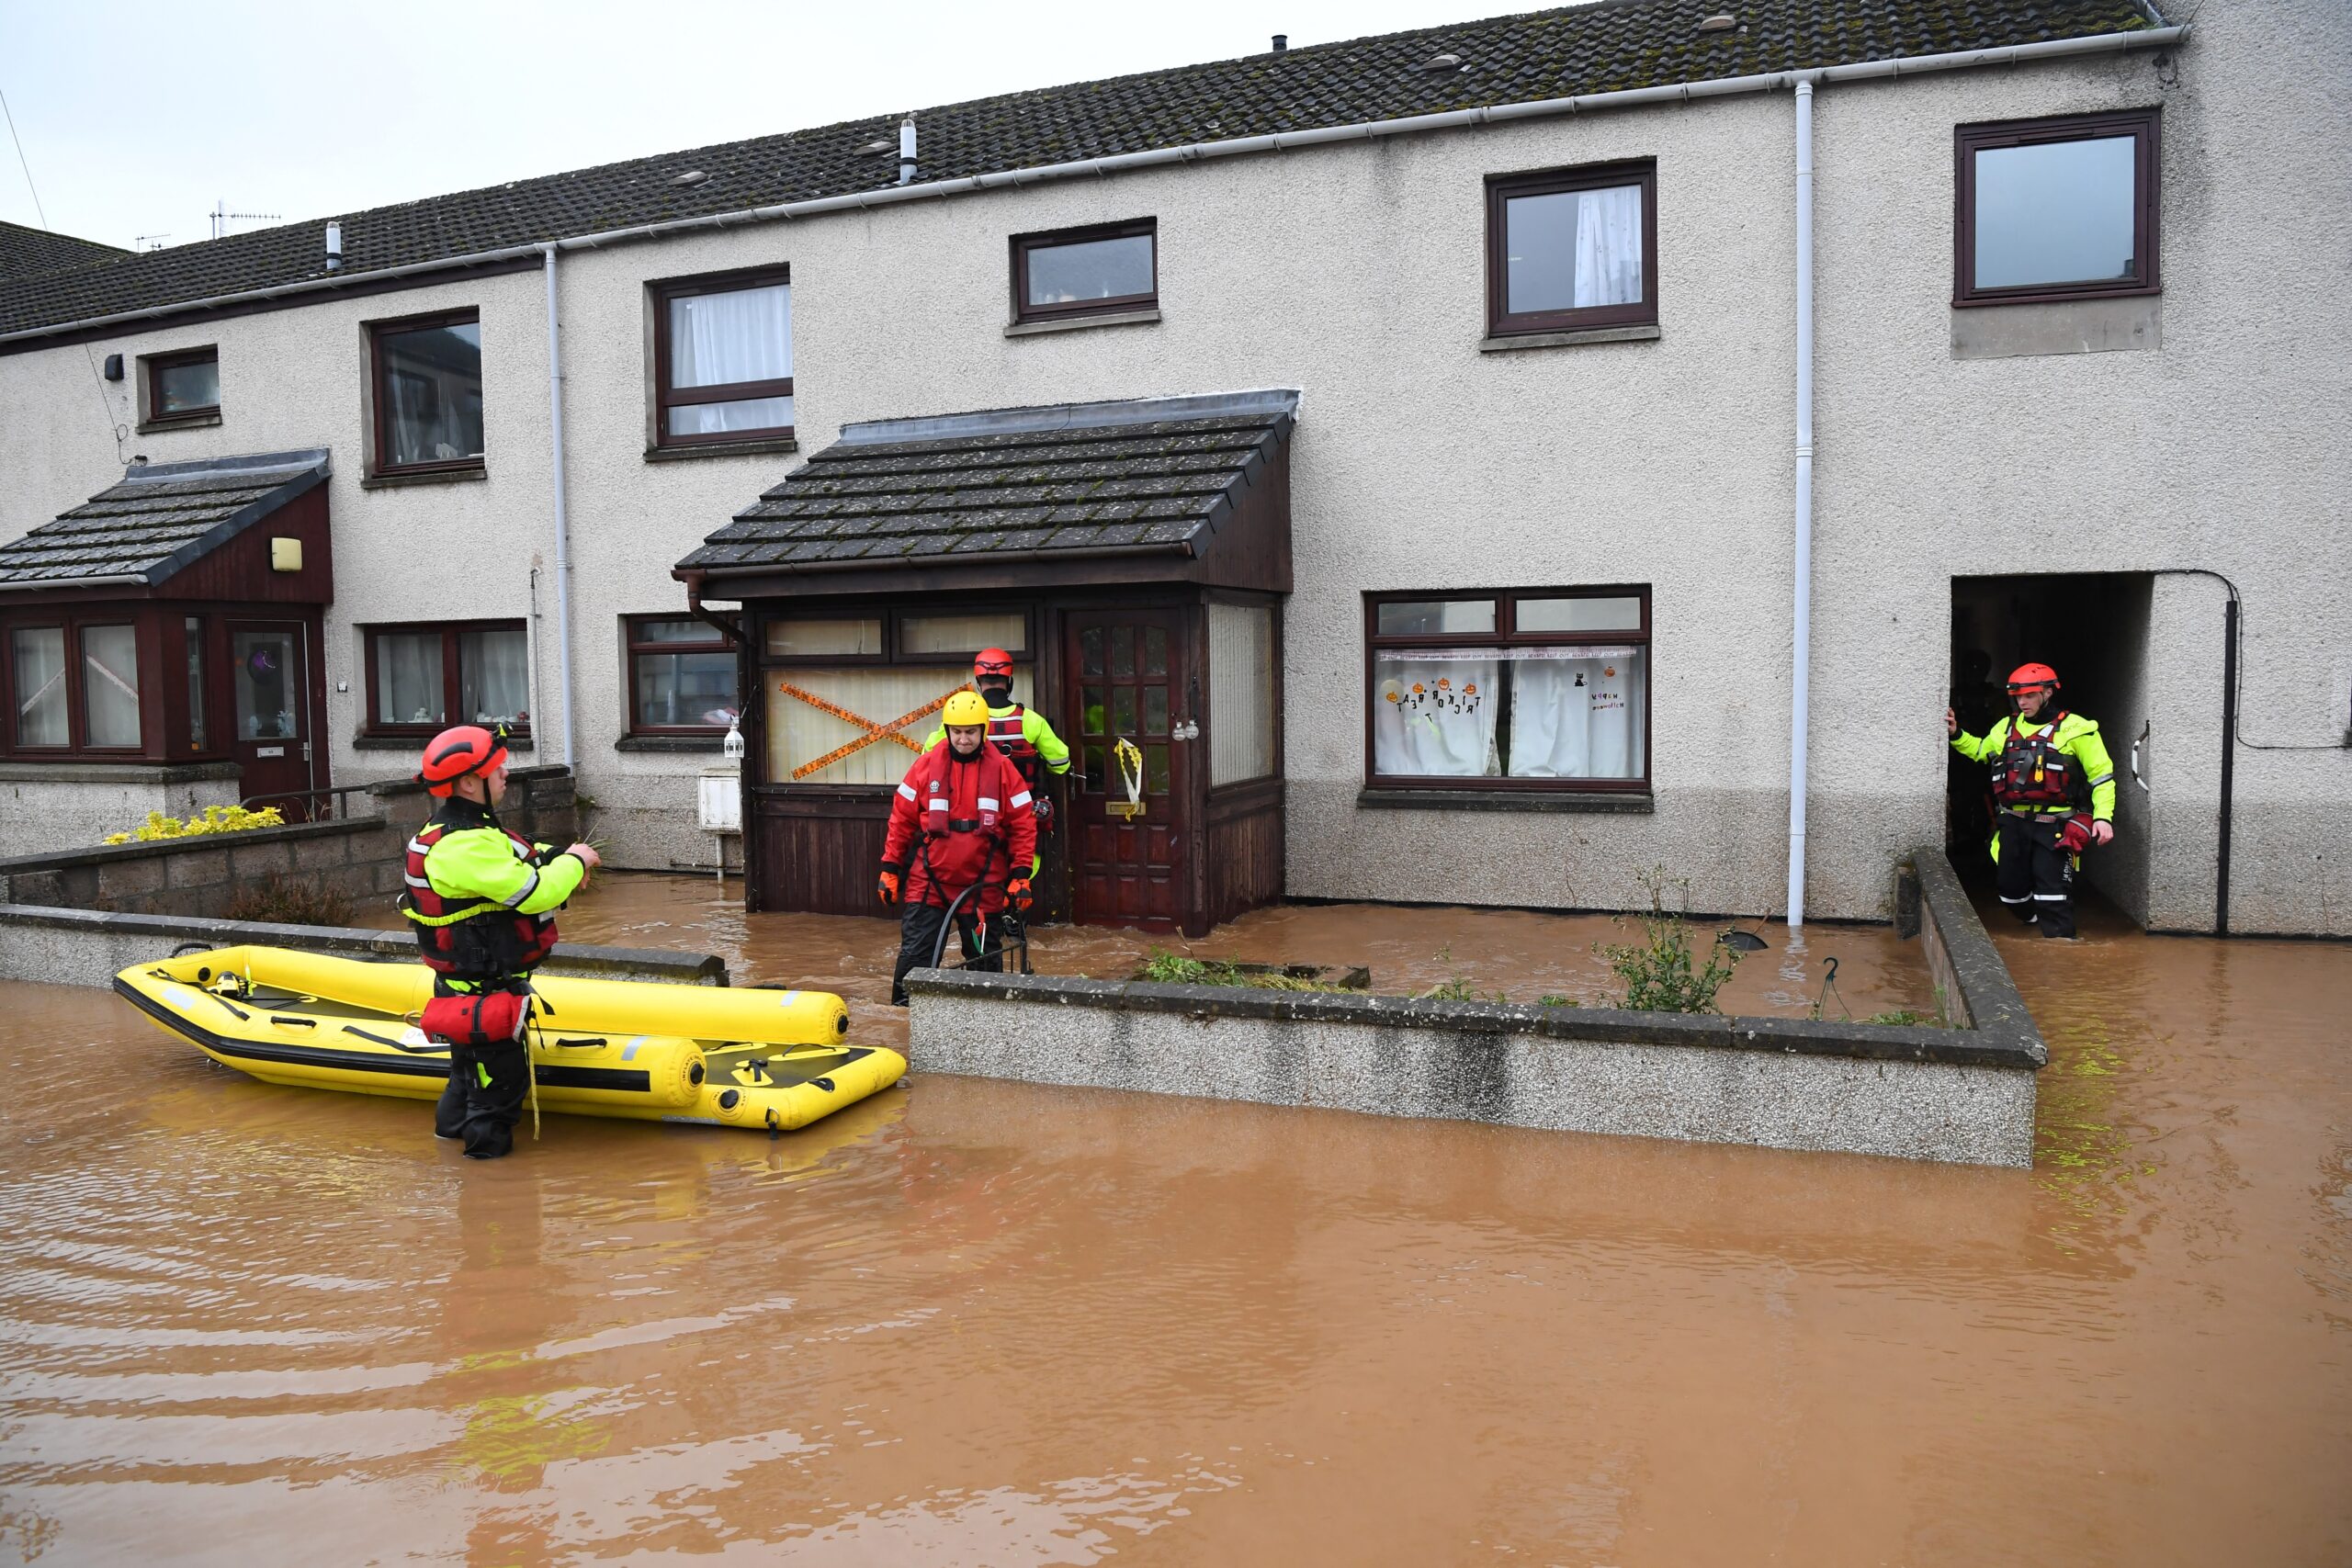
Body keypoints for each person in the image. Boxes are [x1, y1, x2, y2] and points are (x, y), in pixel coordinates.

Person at [401, 725, 602, 1157]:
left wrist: (556, 856)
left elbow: (517, 853)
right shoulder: (464, 847)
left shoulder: (461, 832)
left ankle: (446, 1154)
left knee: (465, 1079)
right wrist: (575, 860)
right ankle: (489, 1199)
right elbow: (536, 892)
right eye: (497, 768)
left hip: (467, 992)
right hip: (486, 997)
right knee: (496, 1096)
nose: (506, 773)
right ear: (470, 783)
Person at [882, 690, 1037, 1006]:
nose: (963, 739)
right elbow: (901, 820)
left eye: (970, 732)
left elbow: (1023, 823)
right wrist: (889, 868)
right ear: (948, 730)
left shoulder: (1004, 771)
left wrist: (1021, 874)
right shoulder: (924, 767)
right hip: (929, 882)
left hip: (982, 885)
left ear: (983, 731)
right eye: (957, 732)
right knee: (915, 959)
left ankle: (985, 1022)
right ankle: (903, 1019)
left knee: (985, 966)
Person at [1947, 662, 2116, 940]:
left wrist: (2102, 817)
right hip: (2013, 824)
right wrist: (1956, 734)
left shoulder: (2077, 729)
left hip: (2056, 827)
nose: (2022, 702)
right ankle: (2033, 919)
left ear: (2048, 693)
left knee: (2053, 898)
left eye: (2029, 695)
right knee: (2010, 893)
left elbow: (2101, 777)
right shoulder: (2006, 727)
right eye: (2018, 696)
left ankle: (2060, 953)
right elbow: (1979, 750)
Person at [923, 648, 1069, 950]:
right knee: (1022, 874)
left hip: (975, 822)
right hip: (1022, 821)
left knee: (980, 883)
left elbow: (928, 756)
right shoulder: (1030, 721)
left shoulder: (965, 722)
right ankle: (1013, 919)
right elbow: (1062, 761)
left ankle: (984, 928)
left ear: (978, 683)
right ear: (1010, 681)